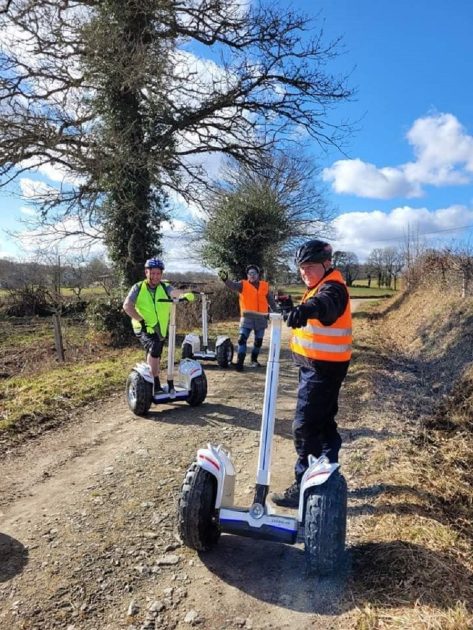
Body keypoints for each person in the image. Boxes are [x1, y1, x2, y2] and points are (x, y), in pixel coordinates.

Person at [271, 239, 352, 508]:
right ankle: (327, 473)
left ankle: (305, 484)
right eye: (301, 267)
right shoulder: (317, 286)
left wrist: (306, 309)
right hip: (316, 366)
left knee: (304, 426)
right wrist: (294, 309)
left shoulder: (333, 288)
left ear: (327, 264)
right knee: (324, 423)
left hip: (323, 369)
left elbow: (325, 305)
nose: (304, 272)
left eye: (310, 266)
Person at [123, 257, 194, 393]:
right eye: (152, 273)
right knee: (154, 347)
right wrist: (141, 321)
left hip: (160, 328)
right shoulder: (138, 287)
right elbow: (127, 306)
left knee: (156, 353)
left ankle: (147, 379)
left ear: (161, 274)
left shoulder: (164, 286)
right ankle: (155, 384)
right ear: (146, 272)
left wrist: (185, 295)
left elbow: (174, 293)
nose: (155, 276)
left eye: (158, 273)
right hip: (143, 326)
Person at [218, 264, 277, 371]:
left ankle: (254, 360)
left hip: (261, 318)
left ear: (258, 274)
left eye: (254, 273)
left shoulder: (265, 286)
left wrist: (277, 311)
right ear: (247, 275)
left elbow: (271, 301)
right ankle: (240, 362)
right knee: (241, 340)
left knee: (258, 342)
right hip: (247, 317)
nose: (252, 275)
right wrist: (225, 279)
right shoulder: (242, 284)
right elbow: (232, 285)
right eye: (250, 273)